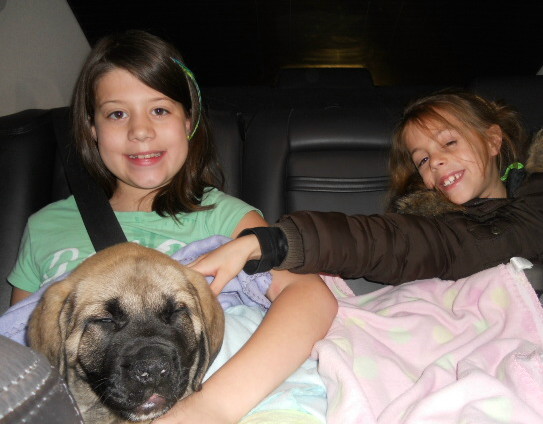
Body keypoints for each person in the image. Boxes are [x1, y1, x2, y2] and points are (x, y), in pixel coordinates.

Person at [7, 31, 337, 424]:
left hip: (213, 410)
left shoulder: (223, 217)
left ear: (188, 121)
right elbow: (21, 358)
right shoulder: (46, 227)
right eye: (117, 113)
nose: (140, 130)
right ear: (91, 129)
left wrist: (214, 407)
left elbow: (311, 298)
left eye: (160, 110)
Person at [191, 91, 543, 292]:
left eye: (449, 141)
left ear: (493, 140)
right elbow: (388, 242)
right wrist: (272, 242)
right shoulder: (445, 232)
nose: (436, 161)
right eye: (422, 160)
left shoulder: (534, 198)